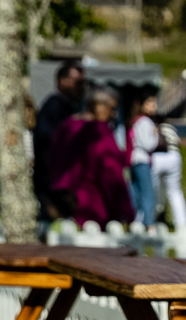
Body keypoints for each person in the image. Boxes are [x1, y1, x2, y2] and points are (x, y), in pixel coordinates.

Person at [48, 86, 133, 225]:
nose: (114, 115)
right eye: (112, 108)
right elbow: (110, 172)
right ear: (98, 106)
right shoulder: (99, 131)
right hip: (91, 205)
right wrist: (125, 210)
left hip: (60, 201)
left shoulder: (65, 126)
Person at [33, 61, 86, 210]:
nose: (81, 87)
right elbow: (49, 140)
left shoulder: (71, 106)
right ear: (62, 81)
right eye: (78, 82)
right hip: (52, 178)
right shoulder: (54, 106)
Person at [127, 92, 162, 226]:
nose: (154, 105)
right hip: (142, 160)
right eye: (150, 102)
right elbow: (148, 144)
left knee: (136, 193)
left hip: (134, 160)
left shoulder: (136, 121)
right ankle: (149, 223)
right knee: (148, 193)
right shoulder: (145, 122)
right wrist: (156, 136)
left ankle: (136, 221)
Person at [149, 122, 186, 228]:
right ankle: (182, 222)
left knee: (153, 190)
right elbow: (178, 141)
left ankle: (152, 218)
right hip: (174, 155)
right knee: (175, 192)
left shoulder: (152, 125)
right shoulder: (170, 127)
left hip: (157, 156)